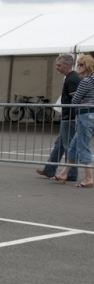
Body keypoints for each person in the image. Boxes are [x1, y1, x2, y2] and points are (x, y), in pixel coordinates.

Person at [52, 55, 94, 187]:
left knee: (82, 146)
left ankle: (89, 178)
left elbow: (74, 100)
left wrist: (79, 99)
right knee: (74, 146)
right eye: (78, 64)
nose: (79, 67)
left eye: (81, 64)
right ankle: (64, 173)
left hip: (84, 115)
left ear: (88, 66)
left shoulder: (86, 81)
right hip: (89, 114)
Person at [37, 54, 80, 181]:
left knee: (68, 145)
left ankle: (71, 173)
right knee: (60, 143)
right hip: (68, 116)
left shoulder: (71, 79)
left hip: (70, 117)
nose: (57, 67)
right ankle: (50, 169)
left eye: (59, 65)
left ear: (67, 65)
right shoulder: (71, 77)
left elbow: (75, 98)